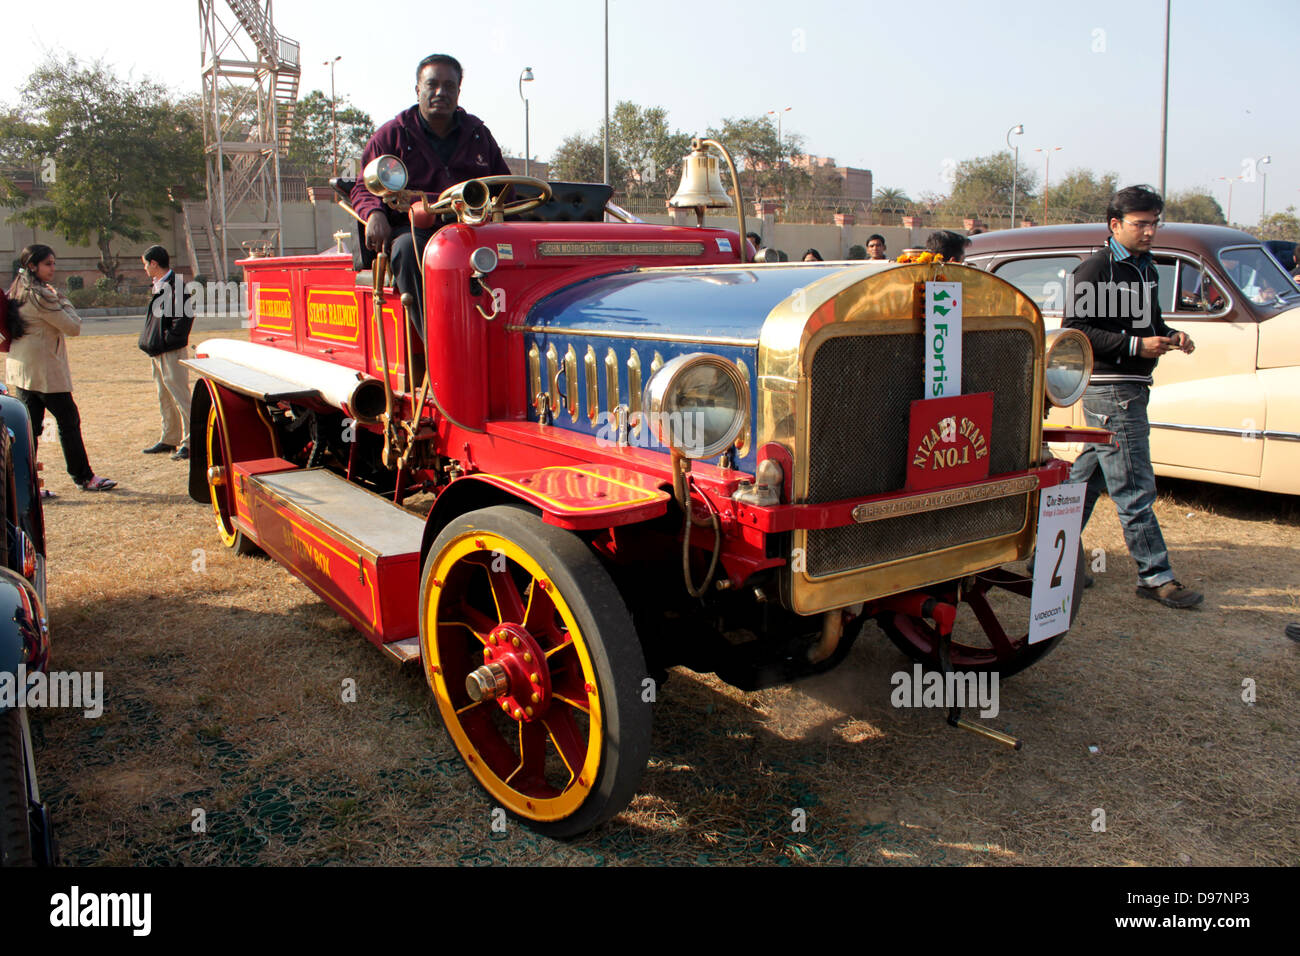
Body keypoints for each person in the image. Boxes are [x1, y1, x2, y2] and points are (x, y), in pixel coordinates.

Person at [1064, 185, 1201, 609]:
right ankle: (1154, 575)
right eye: (1141, 223)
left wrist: (1170, 335)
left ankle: (1047, 554)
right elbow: (1076, 330)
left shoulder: (1147, 267)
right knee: (1135, 486)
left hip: (1131, 388)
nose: (1149, 231)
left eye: (1154, 222)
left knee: (1088, 478)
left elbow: (1149, 319)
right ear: (1115, 225)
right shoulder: (1094, 269)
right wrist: (1133, 347)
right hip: (1112, 389)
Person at [351, 54, 511, 334]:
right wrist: (375, 213)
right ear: (418, 90)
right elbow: (363, 186)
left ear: (459, 92)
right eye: (432, 85)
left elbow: (506, 187)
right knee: (404, 250)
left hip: (473, 231)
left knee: (515, 249)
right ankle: (439, 347)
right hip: (415, 233)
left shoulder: (478, 134)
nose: (441, 92)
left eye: (449, 86)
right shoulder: (393, 135)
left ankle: (506, 337)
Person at [4, 245, 116, 494]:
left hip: (23, 368)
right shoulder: (40, 295)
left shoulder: (17, 289)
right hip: (45, 371)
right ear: (33, 265)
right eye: (48, 264)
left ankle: (24, 487)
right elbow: (73, 326)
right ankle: (84, 477)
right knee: (68, 421)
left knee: (28, 430)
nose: (53, 268)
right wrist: (62, 298)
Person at [139, 245, 195, 461]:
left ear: (154, 263)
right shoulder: (161, 285)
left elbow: (183, 321)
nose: (145, 268)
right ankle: (170, 437)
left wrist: (165, 341)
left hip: (170, 352)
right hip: (159, 351)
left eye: (145, 264)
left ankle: (191, 441)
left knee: (180, 397)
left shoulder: (176, 287)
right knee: (164, 396)